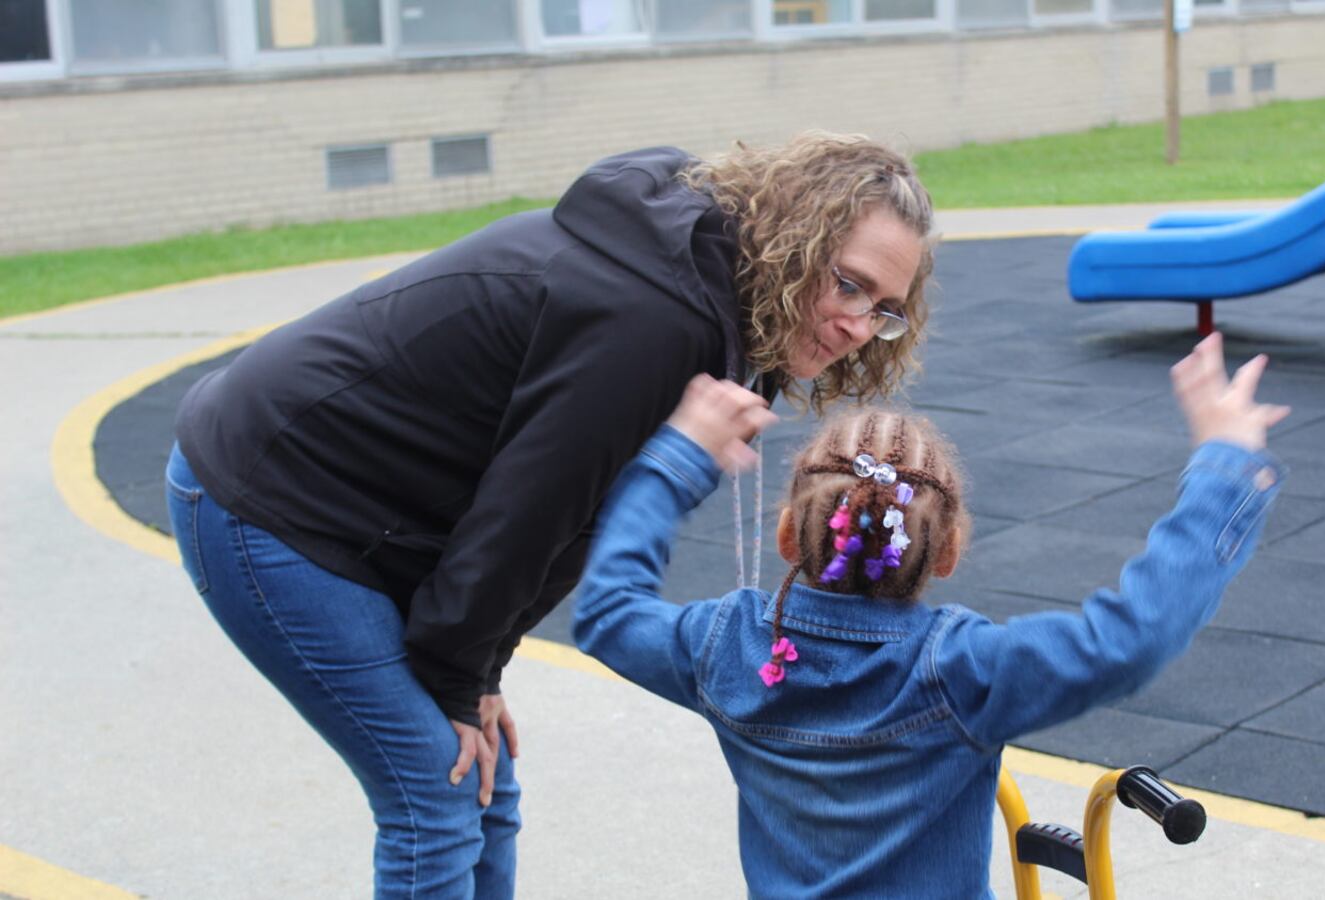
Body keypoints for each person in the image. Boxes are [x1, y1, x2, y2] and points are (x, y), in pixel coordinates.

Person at [163, 131, 934, 898]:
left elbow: (568, 523)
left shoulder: (733, 311)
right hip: (274, 497)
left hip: (377, 514)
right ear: (793, 244)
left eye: (886, 311)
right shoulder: (657, 323)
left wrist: (476, 668)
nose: (859, 326)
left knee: (486, 782)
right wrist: (455, 675)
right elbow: (528, 516)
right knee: (434, 798)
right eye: (848, 285)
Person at [572, 332, 1290, 898]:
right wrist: (1224, 467)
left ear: (789, 534)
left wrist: (679, 457)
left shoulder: (724, 648)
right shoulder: (960, 672)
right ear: (945, 553)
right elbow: (1131, 641)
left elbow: (606, 612)